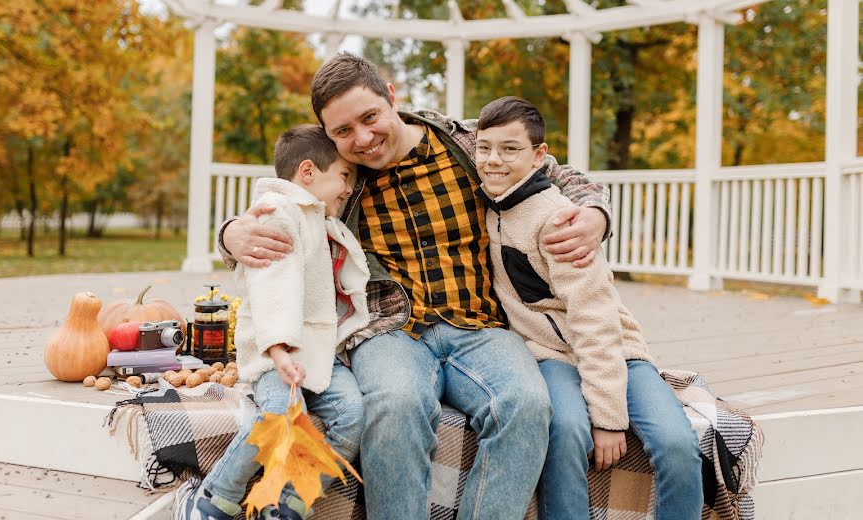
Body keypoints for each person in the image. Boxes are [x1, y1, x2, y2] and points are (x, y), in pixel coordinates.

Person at [218, 53, 613, 519]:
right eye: (343, 132)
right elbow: (280, 203)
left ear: (391, 97)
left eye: (370, 118)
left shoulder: (465, 143)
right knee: (395, 405)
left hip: (481, 325)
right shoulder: (344, 174)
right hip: (390, 331)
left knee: (526, 404)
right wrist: (230, 233)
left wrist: (595, 214)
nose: (362, 139)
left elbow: (561, 176)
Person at [474, 96, 703, 520]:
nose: (493, 160)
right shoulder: (488, 203)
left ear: (539, 156)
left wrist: (609, 418)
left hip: (617, 352)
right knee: (564, 430)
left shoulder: (561, 221)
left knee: (676, 443)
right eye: (484, 148)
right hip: (550, 356)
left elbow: (594, 321)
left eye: (510, 149)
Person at [175, 125, 372, 520]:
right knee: (279, 414)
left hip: (318, 355)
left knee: (355, 415)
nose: (348, 187)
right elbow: (272, 284)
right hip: (276, 350)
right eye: (344, 176)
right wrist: (280, 350)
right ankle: (216, 496)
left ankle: (290, 502)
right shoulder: (279, 212)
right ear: (308, 172)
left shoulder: (318, 216)